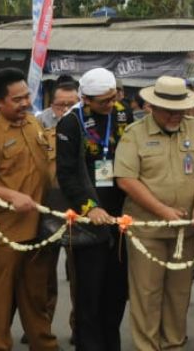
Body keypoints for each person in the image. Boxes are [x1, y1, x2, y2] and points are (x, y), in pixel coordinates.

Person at [115, 77, 194, 351]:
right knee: (147, 294)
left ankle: (174, 344)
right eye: (169, 110)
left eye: (180, 110)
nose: (176, 116)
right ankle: (147, 346)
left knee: (179, 293)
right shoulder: (134, 134)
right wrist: (162, 211)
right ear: (152, 106)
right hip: (147, 229)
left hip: (186, 228)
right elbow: (126, 179)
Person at [0, 68, 57, 351]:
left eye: (26, 96)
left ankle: (43, 344)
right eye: (17, 99)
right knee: (1, 295)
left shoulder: (33, 124)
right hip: (4, 228)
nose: (24, 103)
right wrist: (12, 196)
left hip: (37, 224)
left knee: (35, 292)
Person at [56, 67, 132, 351]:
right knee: (89, 293)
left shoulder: (123, 114)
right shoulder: (71, 123)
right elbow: (66, 174)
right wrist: (89, 209)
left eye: (113, 98)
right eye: (103, 101)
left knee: (116, 291)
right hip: (89, 217)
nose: (110, 105)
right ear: (85, 98)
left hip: (120, 215)